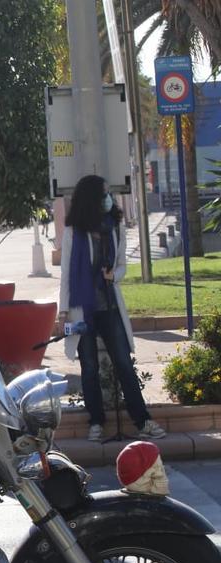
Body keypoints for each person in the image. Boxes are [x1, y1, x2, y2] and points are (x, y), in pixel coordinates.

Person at [59, 175, 165, 442]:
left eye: (109, 193)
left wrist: (113, 276)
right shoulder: (73, 233)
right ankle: (95, 422)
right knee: (89, 366)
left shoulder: (115, 227)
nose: (109, 198)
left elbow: (121, 265)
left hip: (109, 306)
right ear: (91, 199)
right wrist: (62, 312)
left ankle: (142, 421)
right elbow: (66, 274)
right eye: (104, 194)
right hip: (81, 309)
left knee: (123, 363)